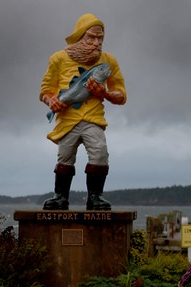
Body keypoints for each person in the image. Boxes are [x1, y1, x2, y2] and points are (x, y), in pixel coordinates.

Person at [39, 13, 126, 211]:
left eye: (100, 38)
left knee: (100, 153)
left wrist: (105, 93)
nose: (96, 43)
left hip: (94, 119)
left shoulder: (108, 61)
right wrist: (51, 101)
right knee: (65, 156)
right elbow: (45, 90)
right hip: (67, 120)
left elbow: (121, 94)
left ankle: (95, 197)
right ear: (79, 36)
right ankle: (60, 197)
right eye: (91, 37)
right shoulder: (58, 59)